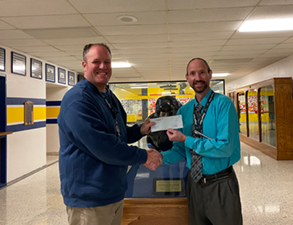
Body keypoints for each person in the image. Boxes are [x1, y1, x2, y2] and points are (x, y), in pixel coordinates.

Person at [58, 43, 162, 225]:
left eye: (107, 62)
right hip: (89, 197)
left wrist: (140, 130)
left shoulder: (107, 95)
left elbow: (117, 134)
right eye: (96, 62)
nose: (102, 67)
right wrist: (143, 156)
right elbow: (103, 145)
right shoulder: (78, 100)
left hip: (111, 191)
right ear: (84, 65)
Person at [159, 58, 243, 225]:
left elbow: (224, 147)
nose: (198, 77)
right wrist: (157, 157)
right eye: (192, 74)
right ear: (187, 78)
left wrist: (186, 139)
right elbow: (180, 148)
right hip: (195, 183)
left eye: (202, 72)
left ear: (210, 74)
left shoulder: (223, 104)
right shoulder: (184, 111)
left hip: (221, 183)